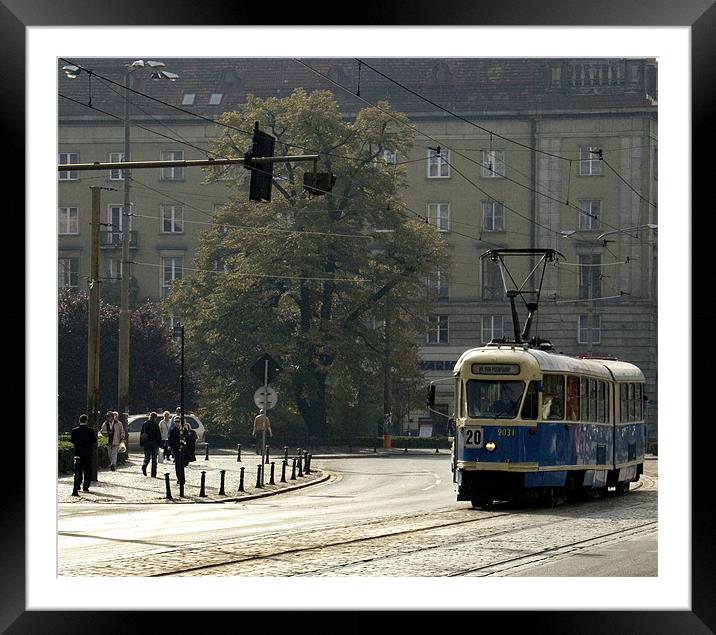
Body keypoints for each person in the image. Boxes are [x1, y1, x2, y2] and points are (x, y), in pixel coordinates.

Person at [70, 414, 96, 492]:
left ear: (79, 420)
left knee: (78, 470)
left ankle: (77, 485)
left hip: (78, 453)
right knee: (87, 471)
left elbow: (72, 440)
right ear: (86, 421)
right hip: (87, 453)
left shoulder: (75, 430)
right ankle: (86, 486)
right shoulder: (90, 431)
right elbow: (94, 440)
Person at [140, 411, 162, 477]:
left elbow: (142, 434)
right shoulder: (155, 424)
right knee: (154, 459)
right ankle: (153, 474)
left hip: (146, 443)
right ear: (155, 418)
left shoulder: (145, 424)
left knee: (147, 457)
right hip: (154, 443)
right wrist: (160, 443)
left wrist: (141, 443)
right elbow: (158, 435)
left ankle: (144, 465)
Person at [168, 419, 188, 486]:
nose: (177, 423)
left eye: (178, 421)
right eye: (176, 422)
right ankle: (179, 478)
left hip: (183, 450)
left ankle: (182, 479)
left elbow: (188, 438)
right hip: (176, 449)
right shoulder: (172, 431)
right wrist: (173, 447)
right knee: (177, 464)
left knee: (183, 464)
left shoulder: (183, 430)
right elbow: (170, 441)